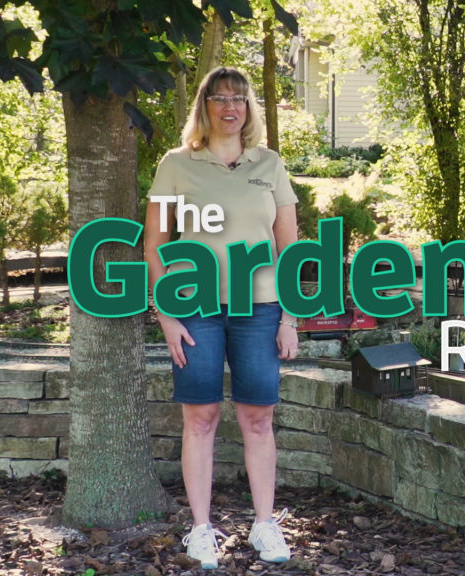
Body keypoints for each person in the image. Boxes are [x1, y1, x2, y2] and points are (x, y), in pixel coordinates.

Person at [144, 66, 300, 570]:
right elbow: (155, 244)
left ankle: (264, 525)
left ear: (249, 107)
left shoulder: (269, 163)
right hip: (195, 308)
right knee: (202, 416)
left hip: (260, 308)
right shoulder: (176, 164)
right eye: (220, 99)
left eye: (239, 99)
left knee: (257, 418)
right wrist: (165, 312)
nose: (230, 107)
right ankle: (201, 530)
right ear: (204, 107)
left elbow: (288, 246)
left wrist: (289, 319)